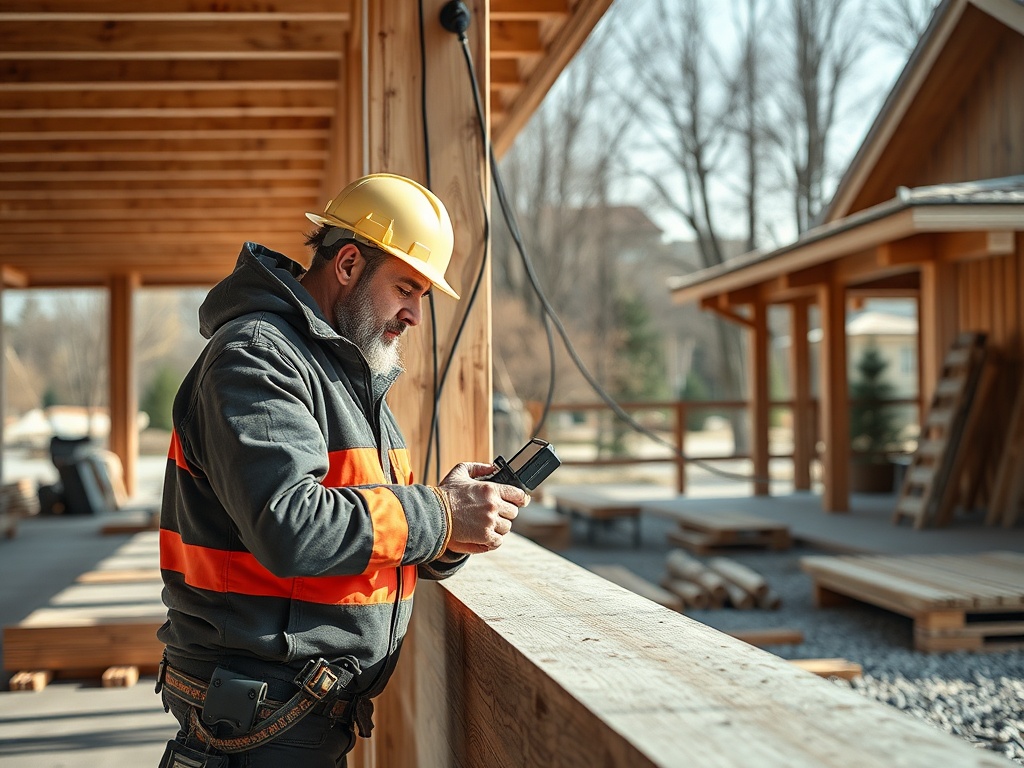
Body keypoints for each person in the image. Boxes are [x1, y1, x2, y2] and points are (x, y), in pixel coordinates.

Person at [155, 173, 529, 767]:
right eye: (406, 288)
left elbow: (367, 533)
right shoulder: (257, 357)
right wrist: (438, 511)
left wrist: (450, 530)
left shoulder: (345, 375)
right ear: (349, 263)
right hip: (258, 712)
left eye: (423, 297)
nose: (414, 315)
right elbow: (294, 526)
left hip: (293, 709)